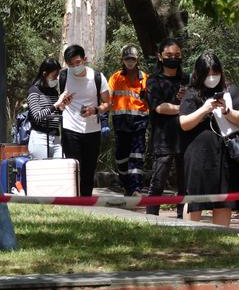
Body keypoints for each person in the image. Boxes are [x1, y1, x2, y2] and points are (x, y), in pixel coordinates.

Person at [179, 52, 239, 226]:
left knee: (224, 200)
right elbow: (184, 123)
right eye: (207, 74)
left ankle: (221, 240)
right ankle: (191, 237)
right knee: (195, 200)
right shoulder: (192, 93)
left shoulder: (230, 90)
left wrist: (227, 111)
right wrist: (204, 109)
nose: (211, 78)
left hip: (225, 154)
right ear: (199, 74)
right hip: (198, 157)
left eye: (215, 73)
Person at [146, 38, 189, 218]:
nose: (173, 58)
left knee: (185, 183)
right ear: (160, 56)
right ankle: (151, 218)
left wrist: (187, 99)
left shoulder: (187, 79)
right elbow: (159, 108)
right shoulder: (153, 80)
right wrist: (183, 107)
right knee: (158, 181)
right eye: (169, 55)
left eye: (177, 55)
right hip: (163, 138)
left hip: (186, 137)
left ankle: (185, 218)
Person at [60, 44, 110, 196]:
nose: (75, 67)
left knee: (89, 169)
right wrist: (62, 102)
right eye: (70, 64)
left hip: (92, 130)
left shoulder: (97, 77)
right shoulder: (63, 76)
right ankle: (74, 202)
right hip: (70, 128)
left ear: (84, 60)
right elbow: (58, 102)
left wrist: (94, 110)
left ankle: (86, 202)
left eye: (77, 63)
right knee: (73, 168)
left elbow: (108, 103)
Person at [108, 45, 149, 196]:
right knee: (121, 156)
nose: (130, 62)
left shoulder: (144, 78)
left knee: (137, 155)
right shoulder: (116, 77)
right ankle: (126, 184)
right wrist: (104, 119)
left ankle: (135, 188)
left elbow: (149, 100)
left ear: (137, 60)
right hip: (121, 123)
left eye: (132, 59)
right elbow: (107, 99)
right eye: (127, 59)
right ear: (122, 60)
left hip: (139, 121)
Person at [26, 58, 70, 159]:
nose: (56, 78)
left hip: (55, 138)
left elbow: (54, 113)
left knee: (59, 169)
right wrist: (55, 105)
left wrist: (62, 106)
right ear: (45, 74)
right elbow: (37, 116)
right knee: (43, 171)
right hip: (40, 138)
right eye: (54, 75)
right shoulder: (34, 91)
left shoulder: (53, 92)